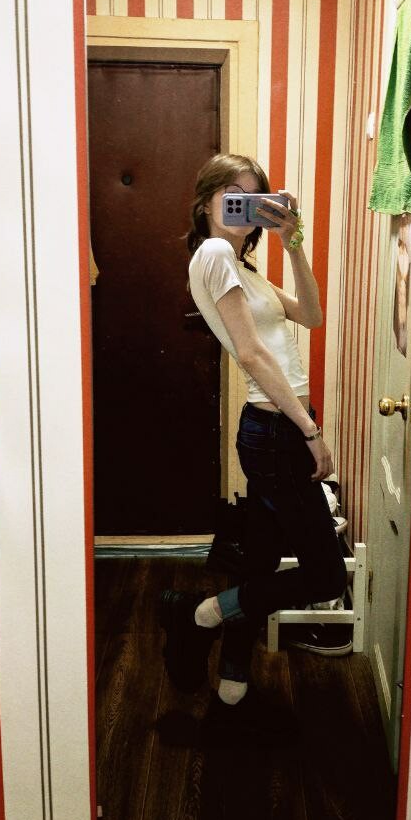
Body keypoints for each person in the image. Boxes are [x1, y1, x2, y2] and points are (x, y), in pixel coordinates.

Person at [162, 153, 346, 737]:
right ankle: (198, 615)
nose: (242, 206)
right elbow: (250, 353)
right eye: (232, 195)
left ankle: (232, 691)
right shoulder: (215, 255)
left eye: (253, 197)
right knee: (325, 576)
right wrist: (310, 430)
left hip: (276, 427)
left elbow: (312, 316)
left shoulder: (242, 266)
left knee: (260, 567)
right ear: (206, 202)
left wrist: (293, 243)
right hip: (278, 431)